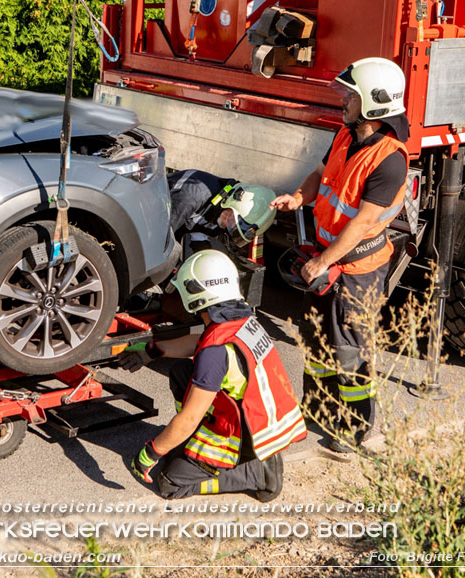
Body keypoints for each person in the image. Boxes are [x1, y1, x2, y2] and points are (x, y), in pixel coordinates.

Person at [270, 57, 409, 453]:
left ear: (374, 104)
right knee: (316, 341)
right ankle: (318, 408)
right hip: (329, 257)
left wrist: (323, 261)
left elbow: (362, 224)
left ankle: (355, 431)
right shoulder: (345, 136)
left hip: (357, 269)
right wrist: (298, 197)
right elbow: (319, 174)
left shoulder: (390, 162)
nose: (344, 100)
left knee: (350, 349)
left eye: (352, 95)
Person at [120, 250, 307, 500]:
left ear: (195, 297)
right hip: (264, 424)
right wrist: (152, 350)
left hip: (248, 438)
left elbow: (189, 417)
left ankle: (255, 474)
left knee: (169, 482)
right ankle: (209, 450)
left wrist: (151, 453)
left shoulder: (216, 352)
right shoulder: (242, 321)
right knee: (181, 372)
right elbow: (199, 341)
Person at [167, 170, 277, 257]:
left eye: (233, 226)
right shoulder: (194, 195)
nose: (227, 223)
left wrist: (205, 258)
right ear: (233, 199)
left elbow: (199, 232)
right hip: (155, 216)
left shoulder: (223, 215)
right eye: (231, 219)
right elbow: (162, 234)